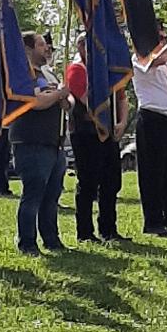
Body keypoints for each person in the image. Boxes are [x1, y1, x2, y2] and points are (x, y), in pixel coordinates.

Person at [9, 32, 71, 255]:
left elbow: (64, 104)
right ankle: (27, 242)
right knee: (33, 194)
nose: (47, 48)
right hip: (31, 141)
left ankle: (51, 239)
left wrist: (63, 97)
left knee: (52, 195)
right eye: (41, 44)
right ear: (27, 50)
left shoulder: (49, 74)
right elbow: (36, 103)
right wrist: (58, 94)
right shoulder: (24, 76)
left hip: (54, 143)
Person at [66, 32, 129, 242]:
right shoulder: (77, 69)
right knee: (88, 182)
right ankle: (85, 232)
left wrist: (121, 122)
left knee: (111, 181)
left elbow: (121, 97)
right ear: (82, 47)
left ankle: (108, 228)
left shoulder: (107, 70)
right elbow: (86, 99)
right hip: (86, 132)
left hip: (108, 132)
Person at [132, 30, 167, 236]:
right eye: (159, 38)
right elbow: (158, 60)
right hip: (151, 119)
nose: (162, 41)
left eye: (163, 38)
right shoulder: (140, 59)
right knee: (152, 173)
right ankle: (152, 221)